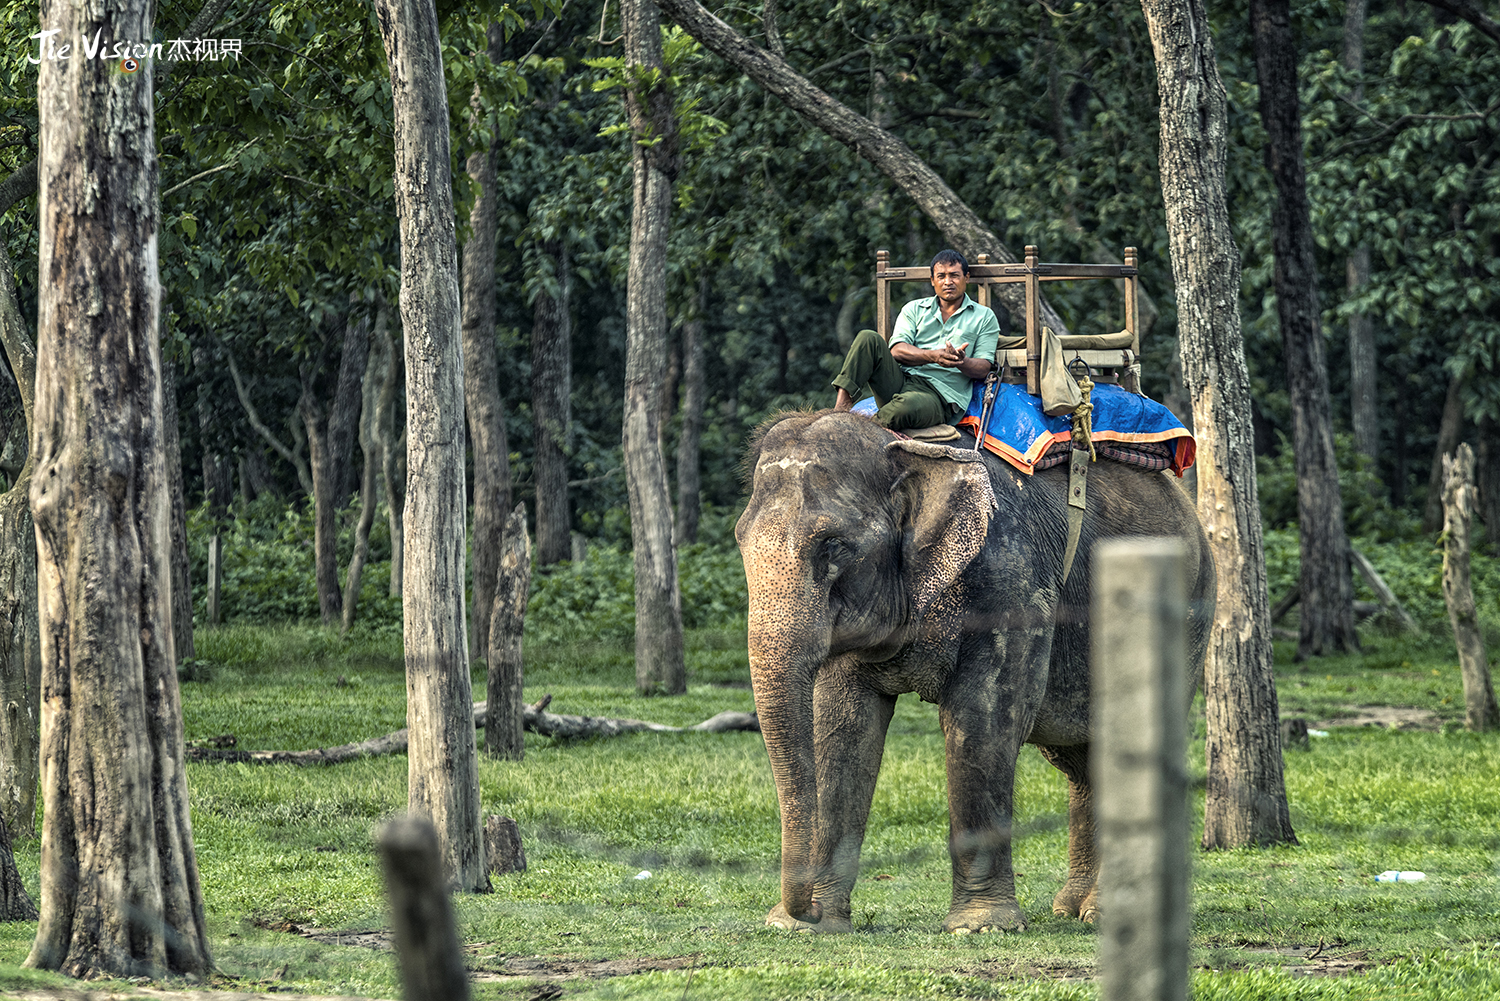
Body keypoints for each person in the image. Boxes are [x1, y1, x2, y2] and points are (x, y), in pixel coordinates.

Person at [832, 249, 1000, 430]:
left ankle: (859, 433)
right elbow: (896, 350)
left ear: (966, 278)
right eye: (941, 276)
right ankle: (839, 411)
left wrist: (960, 361)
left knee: (905, 406)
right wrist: (933, 356)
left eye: (954, 276)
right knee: (868, 337)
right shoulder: (914, 308)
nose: (948, 282)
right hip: (901, 381)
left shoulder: (984, 316)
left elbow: (984, 367)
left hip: (938, 396)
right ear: (932, 280)